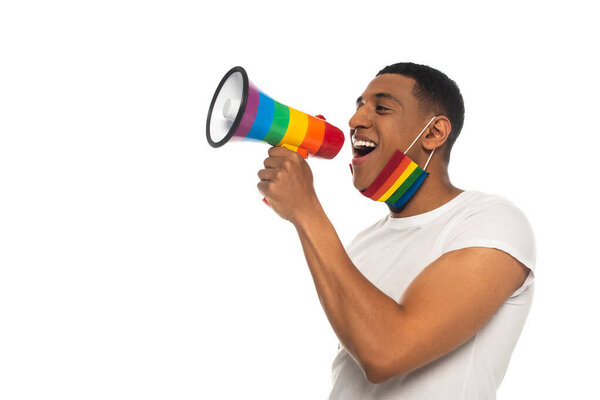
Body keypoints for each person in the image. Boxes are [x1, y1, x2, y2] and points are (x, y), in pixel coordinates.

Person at [257, 62, 535, 399]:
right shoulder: (363, 245)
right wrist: (303, 214)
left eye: (382, 108)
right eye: (358, 106)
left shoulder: (489, 220)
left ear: (434, 133)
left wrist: (306, 211)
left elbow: (384, 353)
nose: (355, 120)